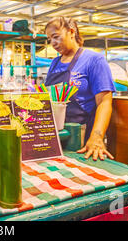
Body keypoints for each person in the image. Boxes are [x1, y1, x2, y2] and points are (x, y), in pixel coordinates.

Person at [44, 16, 115, 161]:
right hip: (56, 136)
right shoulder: (54, 63)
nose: (53, 43)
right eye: (50, 39)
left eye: (56, 37)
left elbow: (104, 103)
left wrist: (96, 137)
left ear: (71, 32)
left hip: (82, 138)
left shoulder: (94, 60)